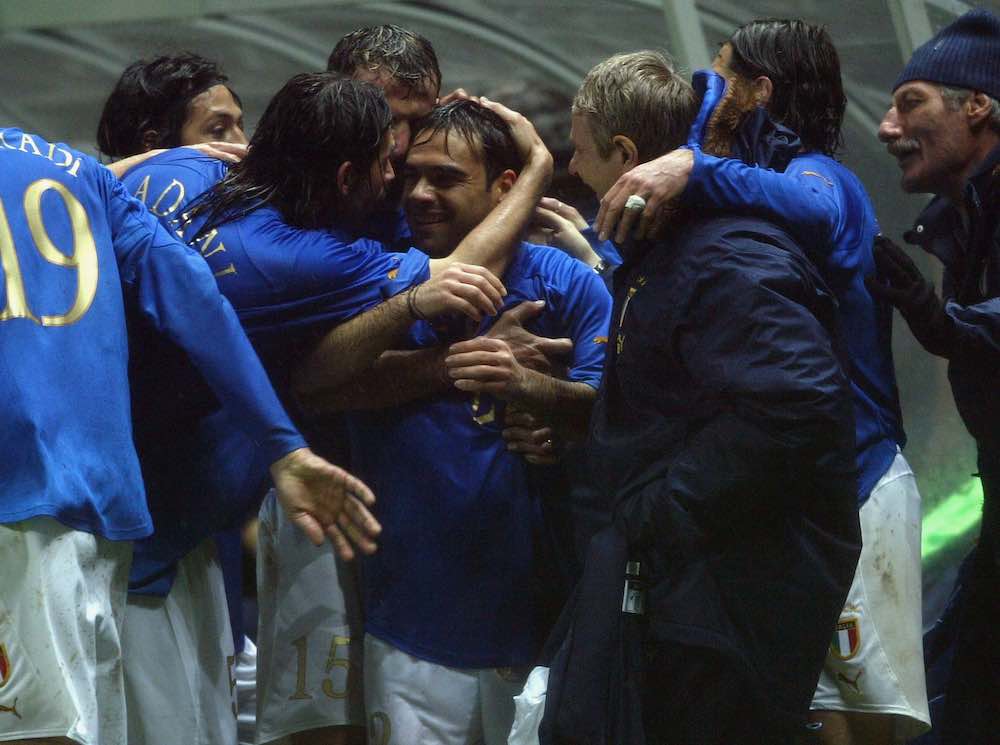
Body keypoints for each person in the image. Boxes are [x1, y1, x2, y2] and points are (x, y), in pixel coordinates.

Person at [118, 73, 551, 745]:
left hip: (129, 501)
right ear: (347, 173)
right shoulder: (300, 258)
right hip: (144, 534)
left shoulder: (180, 169)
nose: (397, 181)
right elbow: (462, 276)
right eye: (388, 162)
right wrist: (534, 172)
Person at [594, 21, 930, 744]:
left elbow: (814, 210)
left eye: (719, 78)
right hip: (807, 489)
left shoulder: (817, 173)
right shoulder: (754, 192)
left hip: (862, 477)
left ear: (759, 91)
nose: (703, 98)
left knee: (863, 713)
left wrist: (692, 168)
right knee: (803, 703)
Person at [0, 125, 378, 745]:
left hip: (16, 504)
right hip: (103, 505)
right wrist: (282, 444)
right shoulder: (76, 170)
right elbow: (191, 291)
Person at [538, 50, 861, 745]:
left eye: (581, 148)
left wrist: (658, 509)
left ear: (624, 153)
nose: (572, 165)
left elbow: (798, 400)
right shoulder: (668, 250)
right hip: (685, 584)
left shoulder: (724, 257)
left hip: (722, 598)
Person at [291, 99, 610, 745]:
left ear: (506, 186)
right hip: (413, 631)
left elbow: (619, 414)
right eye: (411, 175)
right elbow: (312, 389)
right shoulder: (375, 279)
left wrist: (542, 398)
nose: (419, 193)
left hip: (545, 629)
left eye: (445, 177)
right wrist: (454, 363)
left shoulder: (568, 286)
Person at [95, 51, 262, 745]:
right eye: (218, 129)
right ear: (152, 144)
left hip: (195, 543)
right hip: (131, 542)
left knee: (208, 725)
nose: (240, 149)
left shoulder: (219, 241)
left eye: (241, 127)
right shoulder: (101, 241)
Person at [872, 9, 1000, 744]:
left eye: (910, 101)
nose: (887, 127)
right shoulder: (965, 216)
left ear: (976, 104)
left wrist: (954, 326)